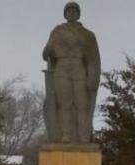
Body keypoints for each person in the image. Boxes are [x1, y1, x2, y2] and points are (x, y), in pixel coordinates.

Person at [42, 2, 101, 143]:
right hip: (61, 67)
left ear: (78, 14)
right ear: (65, 14)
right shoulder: (57, 31)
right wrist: (48, 50)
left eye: (74, 11)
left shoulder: (87, 34)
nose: (71, 14)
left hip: (78, 67)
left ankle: (83, 135)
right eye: (69, 11)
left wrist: (92, 77)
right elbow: (45, 54)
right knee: (65, 103)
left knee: (82, 103)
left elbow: (93, 58)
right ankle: (66, 134)